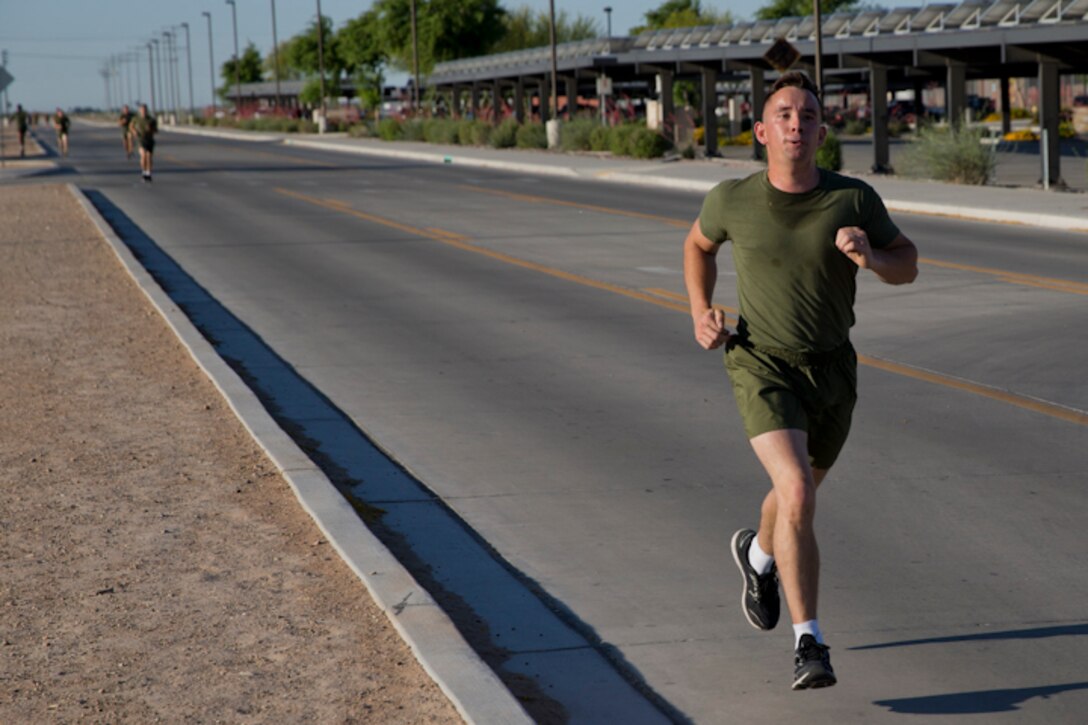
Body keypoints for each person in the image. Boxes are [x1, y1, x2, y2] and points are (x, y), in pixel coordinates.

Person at [682, 71, 918, 690]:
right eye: (784, 114)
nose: (796, 123)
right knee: (798, 493)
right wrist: (699, 310)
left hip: (833, 369)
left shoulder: (853, 200)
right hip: (761, 360)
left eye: (808, 115)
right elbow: (698, 246)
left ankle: (758, 556)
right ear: (761, 130)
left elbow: (908, 264)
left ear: (821, 131)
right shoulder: (731, 199)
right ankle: (808, 643)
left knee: (794, 497)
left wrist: (872, 256)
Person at [130, 103, 158, 183]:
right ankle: (143, 172)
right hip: (140, 139)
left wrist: (151, 129)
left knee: (149, 156)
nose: (143, 111)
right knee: (143, 155)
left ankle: (148, 173)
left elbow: (156, 130)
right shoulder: (136, 119)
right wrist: (134, 131)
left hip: (149, 140)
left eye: (145, 110)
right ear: (140, 111)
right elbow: (131, 126)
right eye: (142, 110)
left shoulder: (151, 120)